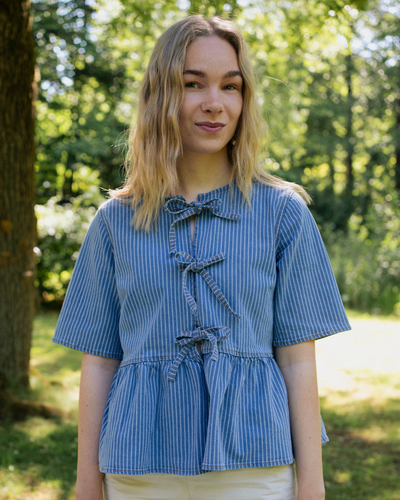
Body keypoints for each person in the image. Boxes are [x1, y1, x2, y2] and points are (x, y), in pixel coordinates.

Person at [52, 14, 351, 500]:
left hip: (257, 465)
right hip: (138, 468)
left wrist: (312, 486)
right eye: (193, 84)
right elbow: (100, 360)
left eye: (230, 87)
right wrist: (88, 482)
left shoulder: (282, 214)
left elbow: (297, 358)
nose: (215, 104)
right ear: (162, 95)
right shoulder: (114, 221)